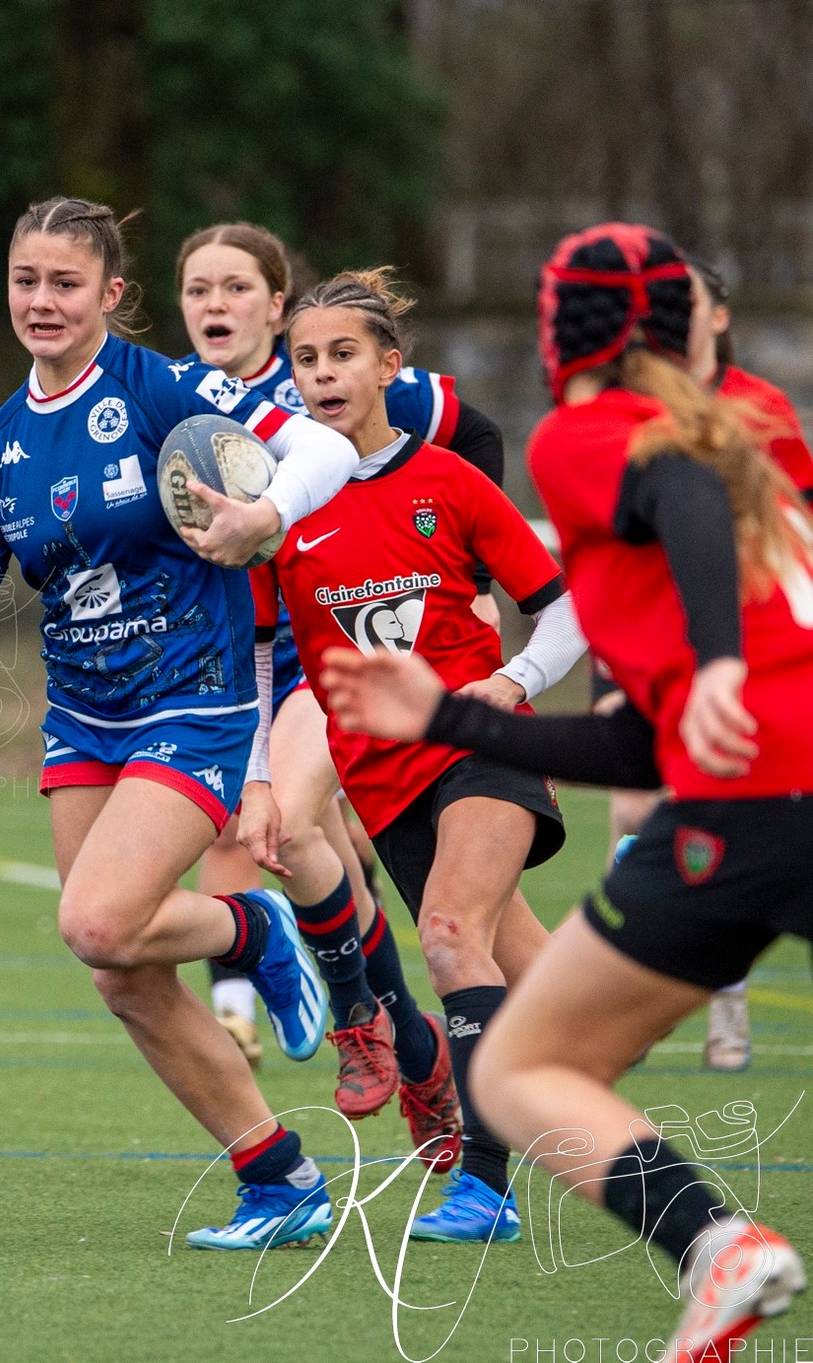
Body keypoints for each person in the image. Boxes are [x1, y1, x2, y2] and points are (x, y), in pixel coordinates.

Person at [319, 223, 809, 1355]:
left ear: (557, 333)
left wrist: (722, 658)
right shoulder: (759, 433)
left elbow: (676, 494)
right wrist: (445, 716)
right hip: (746, 786)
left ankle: (715, 1247)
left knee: (523, 1068)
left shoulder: (588, 436)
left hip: (755, 804)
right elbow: (644, 742)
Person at [0, 197, 363, 1250]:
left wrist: (263, 513)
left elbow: (324, 452)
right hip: (83, 714)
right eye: (26, 280)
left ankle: (251, 926)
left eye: (64, 283)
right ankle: (279, 1177)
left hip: (194, 696)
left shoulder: (158, 386)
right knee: (117, 969)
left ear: (110, 296)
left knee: (93, 921)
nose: (41, 300)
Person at [240, 267, 587, 1240]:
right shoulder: (282, 518)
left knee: (443, 932)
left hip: (479, 750)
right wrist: (263, 780)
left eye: (341, 353)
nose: (321, 373)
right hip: (379, 786)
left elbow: (563, 610)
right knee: (521, 967)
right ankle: (607, 1044)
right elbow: (265, 664)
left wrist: (512, 682)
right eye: (304, 359)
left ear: (390, 365)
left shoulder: (448, 481)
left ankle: (482, 1184)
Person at [176, 223, 500, 1130]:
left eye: (236, 288)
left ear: (277, 305)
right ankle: (406, 1040)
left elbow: (471, 430)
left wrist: (465, 579)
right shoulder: (173, 398)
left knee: (291, 836)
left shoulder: (327, 376)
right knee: (280, 838)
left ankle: (419, 1038)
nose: (215, 306)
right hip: (243, 654)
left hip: (335, 659)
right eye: (198, 290)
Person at [593, 256, 813, 1070]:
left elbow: (790, 525)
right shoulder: (627, 409)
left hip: (739, 646)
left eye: (680, 301)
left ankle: (725, 997)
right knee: (630, 813)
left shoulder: (760, 408)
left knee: (719, 811)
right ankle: (637, 991)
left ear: (718, 316)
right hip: (646, 640)